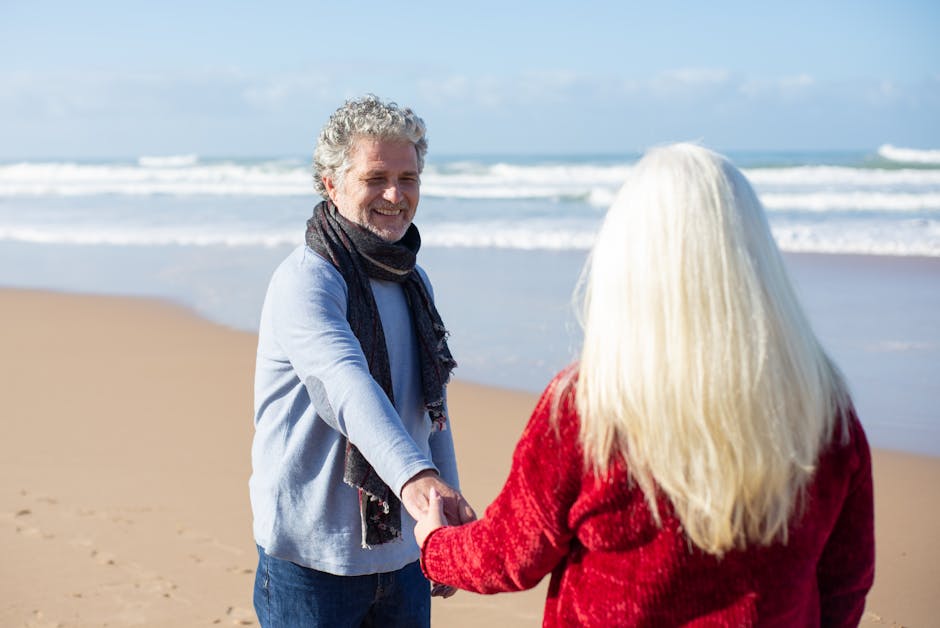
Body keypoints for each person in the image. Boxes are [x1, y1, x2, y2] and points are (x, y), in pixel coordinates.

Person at [414, 143, 874, 626]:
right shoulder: (821, 406)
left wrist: (434, 543)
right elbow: (846, 582)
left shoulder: (587, 407)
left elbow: (509, 555)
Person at [250, 94, 475, 627]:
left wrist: (444, 512)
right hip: (310, 556)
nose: (395, 195)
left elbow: (431, 406)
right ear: (332, 183)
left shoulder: (412, 278)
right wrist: (418, 480)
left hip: (402, 550)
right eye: (376, 178)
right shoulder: (307, 279)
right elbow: (345, 385)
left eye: (409, 178)